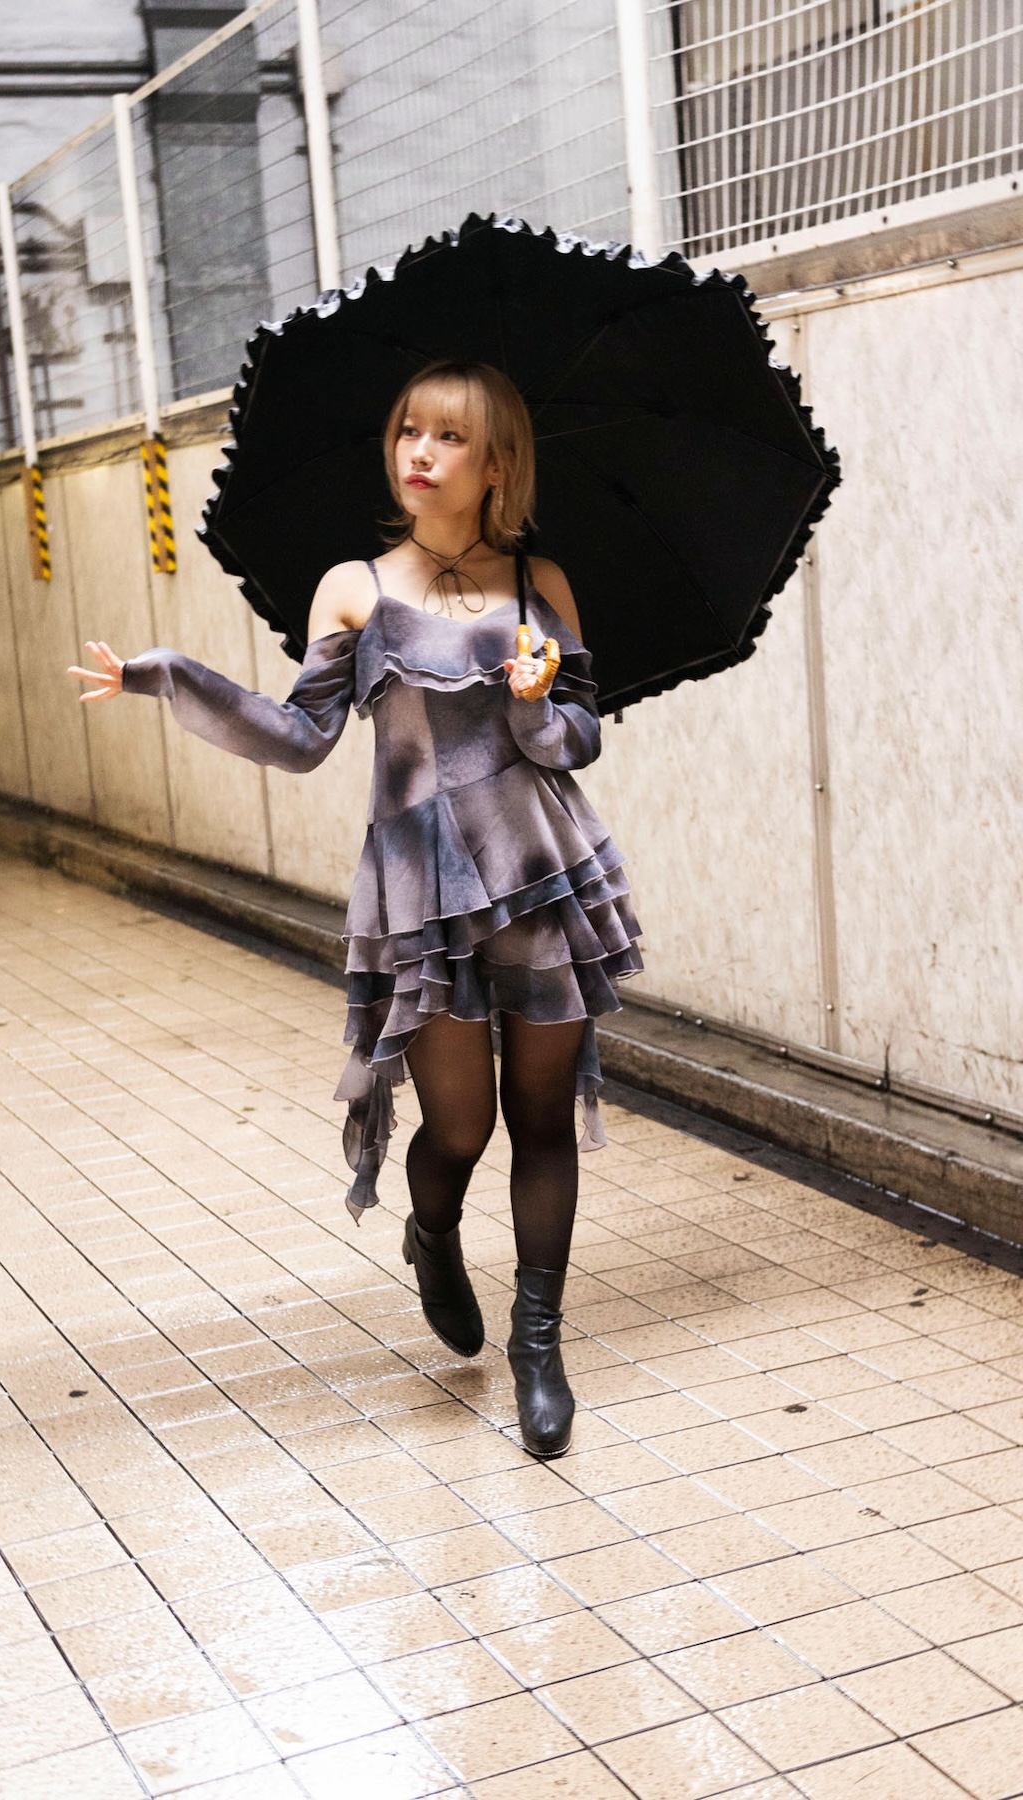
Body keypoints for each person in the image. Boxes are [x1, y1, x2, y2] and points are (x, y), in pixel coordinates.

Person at [68, 361, 642, 1459]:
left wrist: (536, 705)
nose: (419, 452)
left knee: (540, 1117)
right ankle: (432, 1230)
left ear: (498, 464)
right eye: (409, 430)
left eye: (450, 437)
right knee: (460, 1127)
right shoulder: (355, 589)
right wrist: (169, 675)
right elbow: (300, 738)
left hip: (538, 870)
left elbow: (580, 738)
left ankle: (539, 1347)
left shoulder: (541, 586)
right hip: (421, 892)